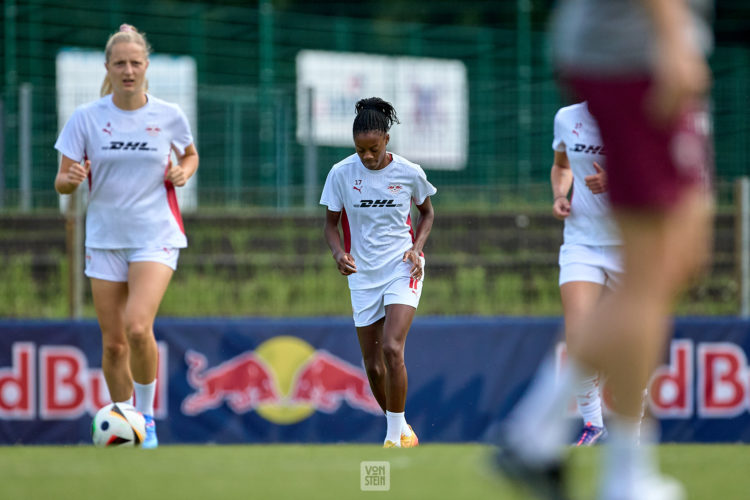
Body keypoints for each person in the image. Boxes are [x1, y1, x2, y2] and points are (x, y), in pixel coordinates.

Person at [496, 1, 713, 499]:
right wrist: (673, 35)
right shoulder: (573, 118)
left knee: (679, 260)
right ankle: (620, 471)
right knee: (654, 271)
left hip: (642, 52)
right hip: (636, 56)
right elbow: (561, 164)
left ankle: (536, 435)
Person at [54, 24, 199, 449]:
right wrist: (72, 178)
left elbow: (189, 156)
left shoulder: (168, 115)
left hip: (155, 236)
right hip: (103, 240)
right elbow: (61, 180)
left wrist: (182, 172)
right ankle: (123, 422)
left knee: (138, 328)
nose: (128, 70)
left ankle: (147, 420)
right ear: (108, 68)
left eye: (136, 63)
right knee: (114, 344)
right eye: (120, 63)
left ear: (146, 66)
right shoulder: (86, 118)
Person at [320, 97, 436, 448]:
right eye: (360, 150)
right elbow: (330, 225)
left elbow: (427, 213)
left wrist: (417, 249)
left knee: (391, 347)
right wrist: (339, 253)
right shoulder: (341, 173)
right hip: (363, 276)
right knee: (372, 367)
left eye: (372, 149)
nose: (367, 157)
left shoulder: (409, 172)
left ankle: (390, 439)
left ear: (386, 139)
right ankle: (402, 429)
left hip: (402, 268)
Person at [550, 101, 621, 447]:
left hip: (630, 243)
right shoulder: (566, 117)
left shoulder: (640, 110)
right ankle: (594, 425)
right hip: (582, 241)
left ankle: (631, 436)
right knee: (579, 338)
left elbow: (660, 169)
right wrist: (560, 194)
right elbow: (561, 165)